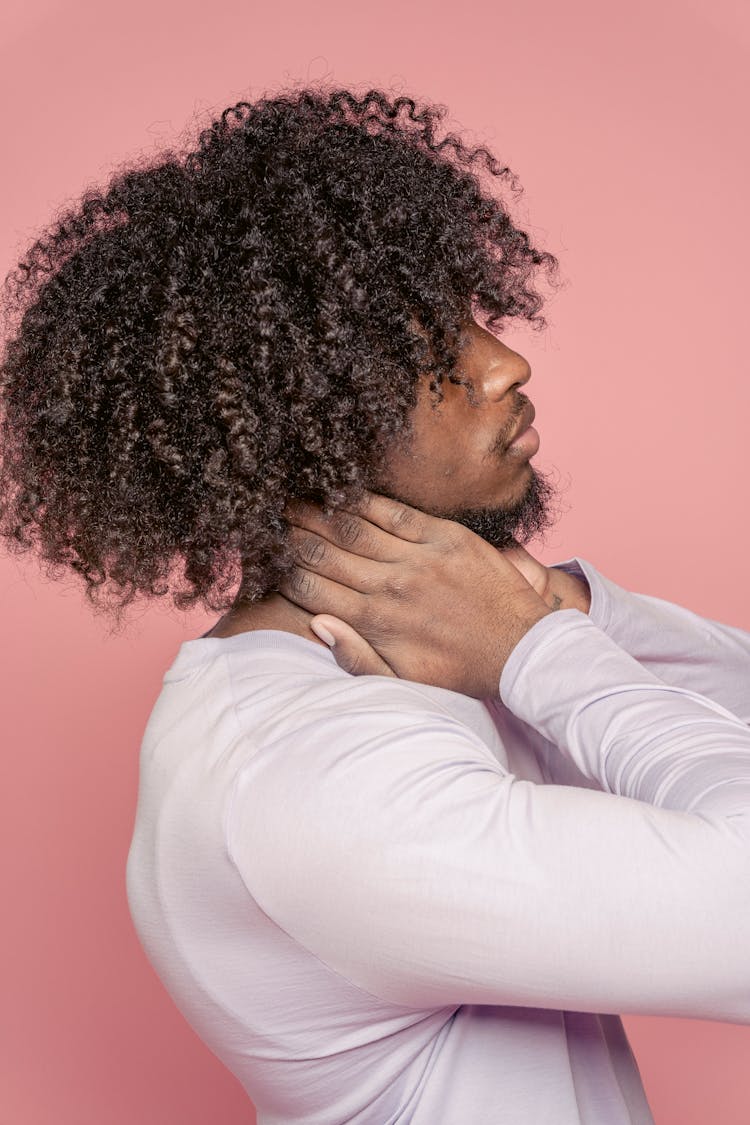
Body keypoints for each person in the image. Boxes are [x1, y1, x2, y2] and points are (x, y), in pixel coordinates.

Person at [1, 83, 749, 1125]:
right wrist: (542, 654)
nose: (505, 365)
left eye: (473, 319)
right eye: (427, 363)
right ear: (292, 436)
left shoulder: (445, 647)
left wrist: (557, 610)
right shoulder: (318, 769)